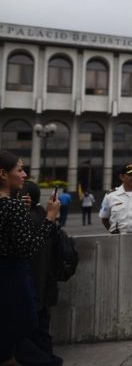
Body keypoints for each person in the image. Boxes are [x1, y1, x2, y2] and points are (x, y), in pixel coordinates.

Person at [0, 151, 60, 365]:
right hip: (12, 280)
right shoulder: (12, 206)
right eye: (19, 170)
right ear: (3, 174)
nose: (24, 175)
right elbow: (29, 248)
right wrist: (50, 217)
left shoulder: (12, 206)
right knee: (17, 333)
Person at [15, 180, 63, 366]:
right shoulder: (43, 216)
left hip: (29, 285)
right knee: (42, 331)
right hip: (45, 285)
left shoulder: (27, 219)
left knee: (25, 335)